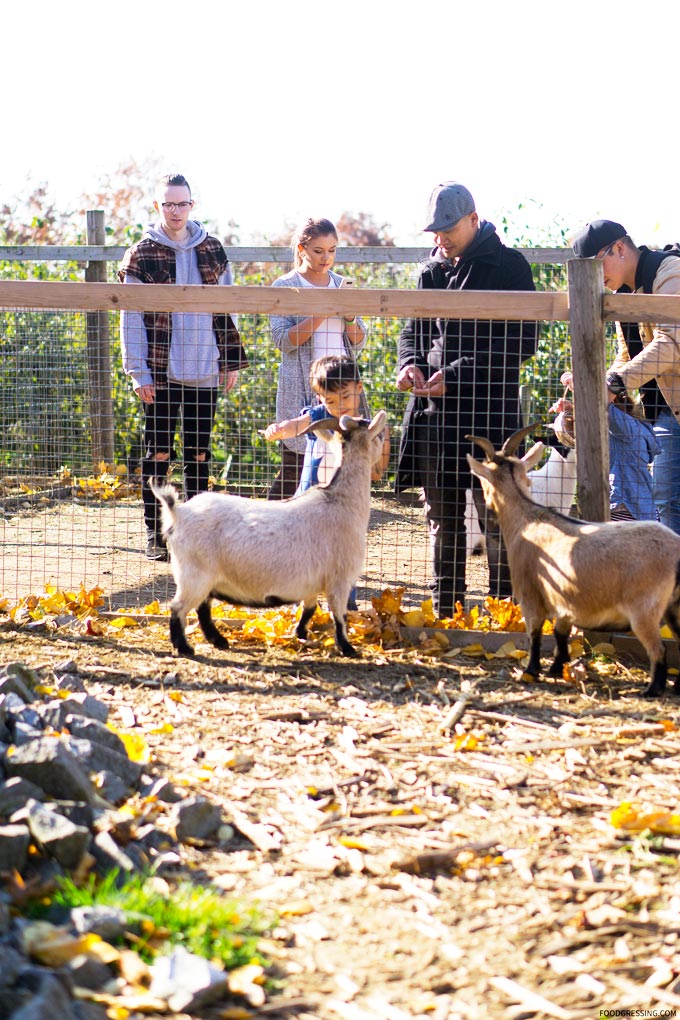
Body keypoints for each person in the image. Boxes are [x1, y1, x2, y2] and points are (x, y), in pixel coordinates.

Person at [395, 182, 538, 618]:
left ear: (474, 220)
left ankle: (504, 614)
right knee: (443, 521)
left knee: (497, 519)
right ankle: (447, 614)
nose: (441, 237)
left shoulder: (510, 266)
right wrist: (410, 364)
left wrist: (452, 375)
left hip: (490, 416)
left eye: (448, 227)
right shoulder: (429, 272)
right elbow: (412, 332)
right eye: (435, 230)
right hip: (435, 417)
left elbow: (523, 342)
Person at [119, 173, 248, 561]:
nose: (176, 211)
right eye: (168, 204)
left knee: (198, 453)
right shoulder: (141, 254)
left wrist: (230, 360)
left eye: (183, 203)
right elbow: (130, 317)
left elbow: (230, 308)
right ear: (157, 206)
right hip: (159, 370)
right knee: (158, 453)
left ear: (193, 205)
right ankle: (155, 532)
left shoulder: (212, 250)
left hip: (204, 367)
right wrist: (137, 371)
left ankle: (194, 535)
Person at [572, 219, 680, 533]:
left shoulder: (670, 273)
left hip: (669, 413)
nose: (594, 276)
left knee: (668, 500)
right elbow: (626, 355)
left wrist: (613, 384)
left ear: (619, 248)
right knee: (667, 501)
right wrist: (593, 389)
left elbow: (672, 342)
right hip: (666, 415)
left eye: (595, 264)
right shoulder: (623, 293)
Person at [263, 355, 390, 610]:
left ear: (359, 387)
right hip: (308, 510)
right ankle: (305, 612)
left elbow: (378, 474)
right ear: (320, 398)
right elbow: (296, 425)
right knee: (304, 561)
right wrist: (279, 429)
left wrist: (378, 443)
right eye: (331, 400)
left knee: (344, 560)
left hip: (345, 514)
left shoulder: (366, 428)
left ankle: (344, 610)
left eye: (345, 397)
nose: (340, 406)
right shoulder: (320, 415)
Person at [268, 218, 368, 499]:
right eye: (319, 251)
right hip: (302, 387)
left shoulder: (342, 284)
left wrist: (348, 316)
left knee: (339, 465)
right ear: (302, 249)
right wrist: (322, 311)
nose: (327, 258)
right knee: (295, 467)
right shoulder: (284, 286)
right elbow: (283, 341)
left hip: (339, 389)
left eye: (332, 250)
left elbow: (359, 342)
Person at [552, 372, 659, 522]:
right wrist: (570, 411)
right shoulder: (627, 427)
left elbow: (602, 406)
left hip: (625, 509)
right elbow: (574, 437)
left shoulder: (625, 427)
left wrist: (580, 386)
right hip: (638, 511)